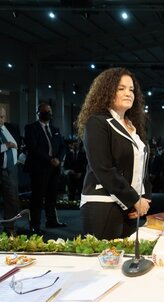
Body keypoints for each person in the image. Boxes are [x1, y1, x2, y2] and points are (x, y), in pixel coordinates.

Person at [76, 67, 151, 240]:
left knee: (127, 262)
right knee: (105, 263)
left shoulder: (132, 126)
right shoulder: (97, 122)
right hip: (103, 204)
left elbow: (141, 167)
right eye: (121, 88)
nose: (128, 94)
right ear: (107, 91)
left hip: (130, 205)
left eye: (131, 90)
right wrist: (134, 199)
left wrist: (143, 198)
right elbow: (103, 168)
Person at [24, 103, 67, 234]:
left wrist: (58, 159)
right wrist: (50, 160)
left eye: (50, 111)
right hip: (39, 168)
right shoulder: (31, 128)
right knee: (37, 197)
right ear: (39, 113)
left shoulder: (55, 129)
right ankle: (34, 225)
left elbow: (63, 146)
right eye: (45, 111)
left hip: (54, 169)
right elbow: (33, 148)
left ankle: (52, 220)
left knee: (52, 196)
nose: (48, 113)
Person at [0, 106, 21, 236]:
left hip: (11, 170)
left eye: (2, 116)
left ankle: (9, 229)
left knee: (12, 200)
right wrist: (6, 146)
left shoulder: (10, 128)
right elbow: (9, 145)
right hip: (1, 169)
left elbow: (18, 144)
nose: (1, 119)